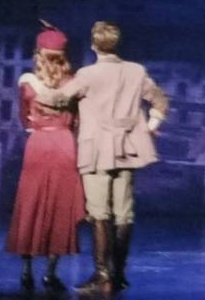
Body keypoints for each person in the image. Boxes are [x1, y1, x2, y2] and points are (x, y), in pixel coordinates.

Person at [34, 21, 169, 294]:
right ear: (116, 44)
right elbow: (160, 101)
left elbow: (57, 99)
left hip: (96, 151)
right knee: (123, 214)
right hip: (127, 150)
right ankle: (118, 275)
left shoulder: (88, 74)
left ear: (94, 46)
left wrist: (35, 85)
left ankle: (102, 275)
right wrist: (150, 126)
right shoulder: (136, 71)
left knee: (99, 214)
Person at [5, 22, 85, 293]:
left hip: (38, 144)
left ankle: (26, 270)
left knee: (31, 203)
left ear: (39, 54)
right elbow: (77, 120)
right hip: (64, 144)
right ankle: (50, 274)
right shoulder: (73, 84)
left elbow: (24, 118)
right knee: (60, 207)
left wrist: (39, 126)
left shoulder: (28, 82)